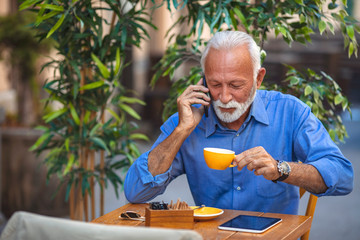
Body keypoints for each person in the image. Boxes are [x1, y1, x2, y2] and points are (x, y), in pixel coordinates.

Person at [124, 31, 353, 215]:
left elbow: (343, 177)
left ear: (258, 78)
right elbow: (135, 191)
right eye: (215, 84)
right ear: (203, 80)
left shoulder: (290, 111)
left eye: (235, 86)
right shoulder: (187, 121)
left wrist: (281, 169)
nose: (224, 98)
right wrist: (182, 130)